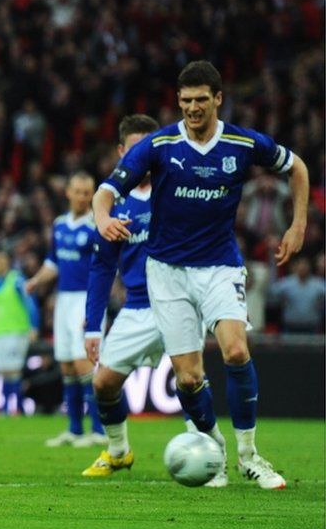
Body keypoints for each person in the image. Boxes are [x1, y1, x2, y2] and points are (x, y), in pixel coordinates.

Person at [94, 61, 309, 489]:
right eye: (186, 101)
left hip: (219, 265)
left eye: (201, 100)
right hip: (168, 272)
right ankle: (215, 450)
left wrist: (298, 224)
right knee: (189, 378)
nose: (193, 108)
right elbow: (107, 191)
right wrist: (102, 217)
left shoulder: (242, 143)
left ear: (217, 99)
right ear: (179, 101)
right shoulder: (158, 144)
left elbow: (298, 167)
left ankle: (250, 455)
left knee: (234, 351)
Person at [80, 114, 228, 485]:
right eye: (135, 150)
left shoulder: (176, 191)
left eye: (149, 149)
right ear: (121, 152)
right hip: (138, 307)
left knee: (190, 380)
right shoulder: (114, 203)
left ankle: (214, 457)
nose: (143, 158)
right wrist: (92, 326)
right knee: (103, 383)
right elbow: (101, 269)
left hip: (179, 300)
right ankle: (118, 452)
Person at [25, 171, 106, 448]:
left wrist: (96, 306)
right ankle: (74, 429)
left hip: (87, 299)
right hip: (64, 300)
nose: (83, 197)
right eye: (78, 191)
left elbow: (104, 267)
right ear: (68, 193)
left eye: (88, 192)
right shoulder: (59, 226)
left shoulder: (97, 226)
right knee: (67, 365)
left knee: (85, 363)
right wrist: (36, 281)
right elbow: (53, 264)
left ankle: (99, 430)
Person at [0, 250, 39, 415]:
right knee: (3, 371)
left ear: (7, 261)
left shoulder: (16, 280)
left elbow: (30, 302)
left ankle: (16, 407)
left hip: (16, 330)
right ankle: (5, 407)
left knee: (14, 370)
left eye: (0, 259)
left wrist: (34, 326)